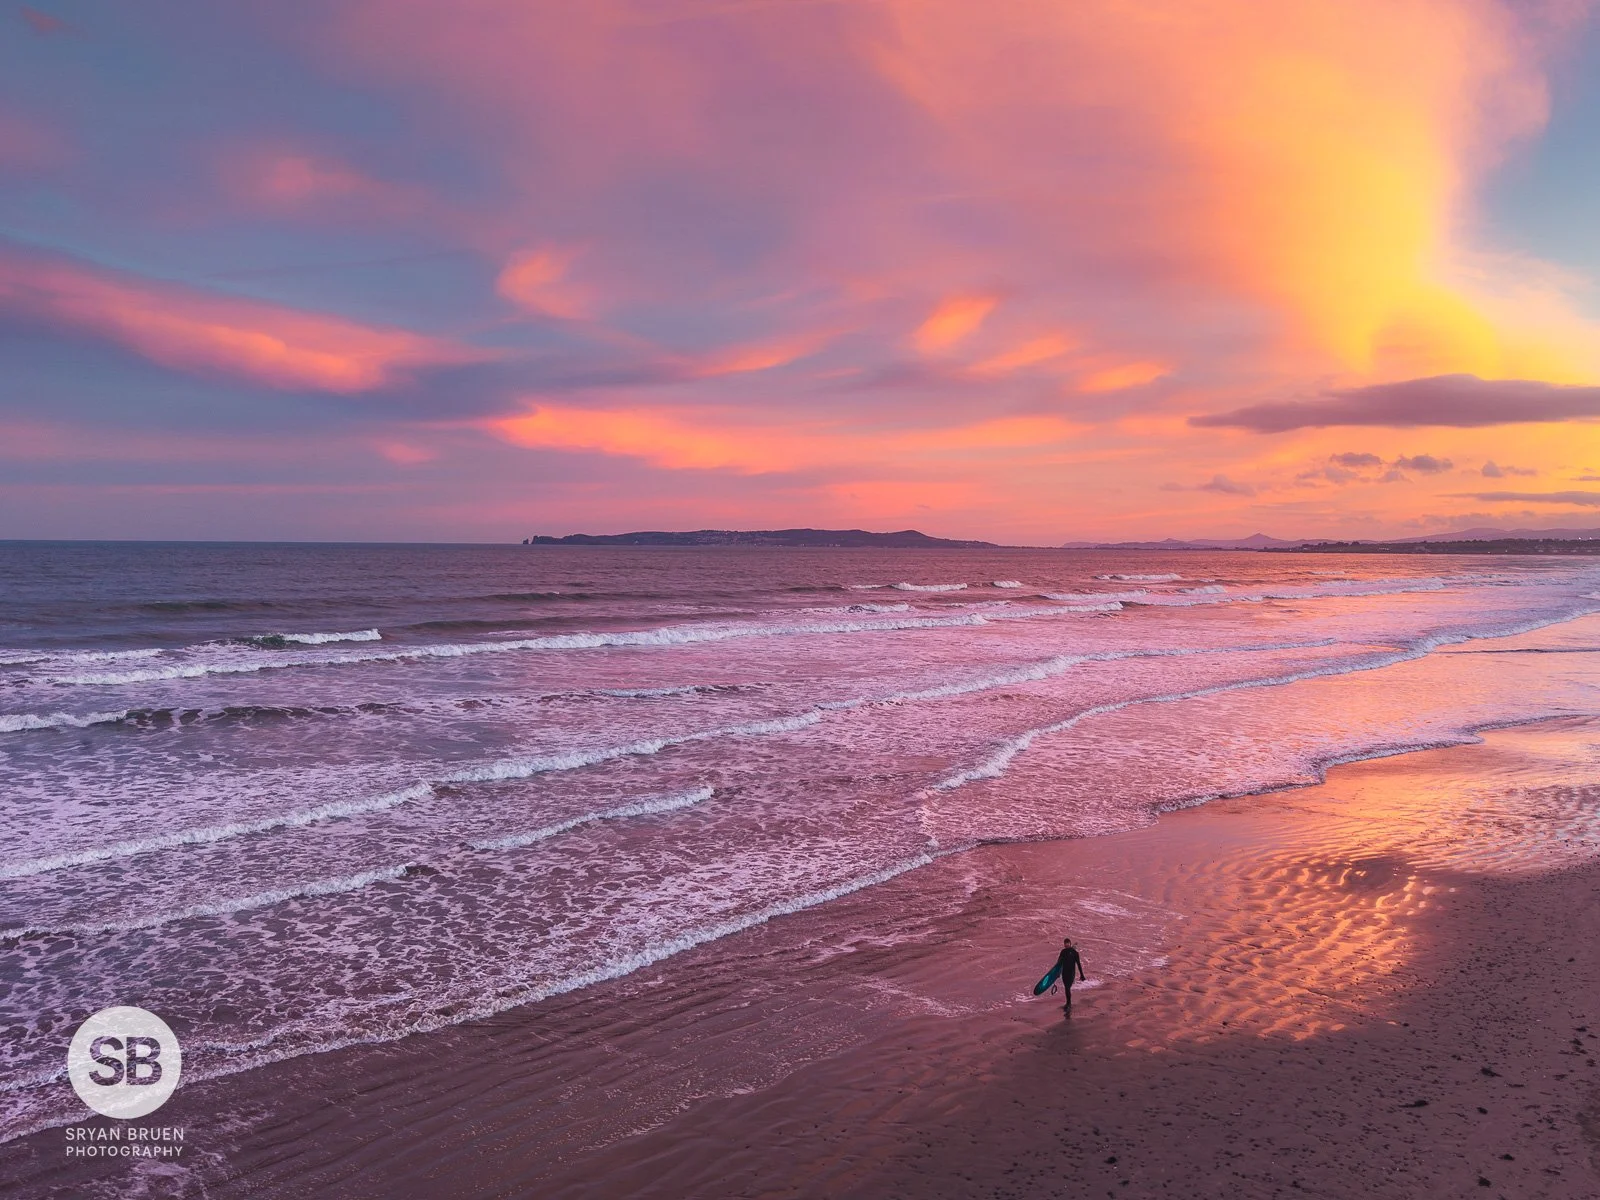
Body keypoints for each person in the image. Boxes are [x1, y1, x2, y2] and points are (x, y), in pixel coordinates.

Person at [1054, 937, 1086, 1015]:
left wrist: (1082, 975)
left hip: (1071, 973)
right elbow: (1059, 963)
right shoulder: (1063, 952)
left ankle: (1068, 1003)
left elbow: (1078, 964)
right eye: (1065, 943)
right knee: (1066, 988)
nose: (1066, 945)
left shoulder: (1075, 953)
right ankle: (1068, 1003)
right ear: (1064, 944)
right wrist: (1057, 973)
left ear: (1070, 944)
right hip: (1064, 973)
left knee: (1067, 987)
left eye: (1067, 943)